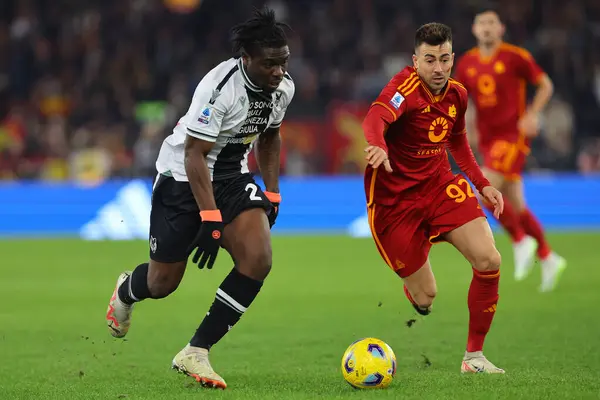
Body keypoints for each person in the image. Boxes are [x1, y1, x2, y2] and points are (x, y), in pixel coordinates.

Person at [105, 8, 294, 389]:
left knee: (258, 258)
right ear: (247, 59)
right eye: (270, 64)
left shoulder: (284, 87)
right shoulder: (220, 88)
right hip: (181, 178)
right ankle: (128, 288)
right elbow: (193, 154)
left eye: (283, 62)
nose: (279, 72)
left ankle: (196, 351)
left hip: (229, 177)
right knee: (163, 283)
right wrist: (209, 217)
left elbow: (270, 136)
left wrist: (272, 191)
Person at [363, 22, 506, 374]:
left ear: (452, 57)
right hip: (394, 204)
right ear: (416, 60)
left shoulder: (457, 94)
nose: (438, 68)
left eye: (444, 59)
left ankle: (474, 358)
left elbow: (457, 142)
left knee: (489, 259)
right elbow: (376, 116)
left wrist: (482, 184)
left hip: (440, 185)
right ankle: (418, 285)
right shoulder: (404, 88)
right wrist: (378, 145)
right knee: (427, 297)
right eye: (430, 60)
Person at [454, 7, 566, 292]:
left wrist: (532, 114)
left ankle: (519, 240)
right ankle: (547, 256)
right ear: (475, 30)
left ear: (501, 29)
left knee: (484, 190)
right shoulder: (467, 63)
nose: (487, 28)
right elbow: (466, 102)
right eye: (482, 24)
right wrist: (470, 128)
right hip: (489, 140)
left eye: (492, 23)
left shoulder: (516, 57)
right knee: (515, 204)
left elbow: (545, 85)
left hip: (513, 136)